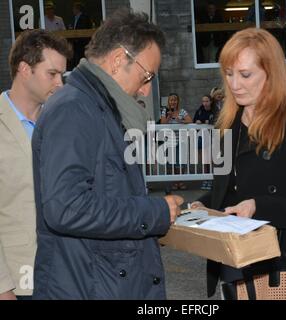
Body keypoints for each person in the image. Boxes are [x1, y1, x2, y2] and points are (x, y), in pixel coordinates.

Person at [31, 8, 183, 300]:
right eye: (147, 75)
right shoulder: (74, 109)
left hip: (100, 282)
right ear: (117, 61)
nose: (147, 89)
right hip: (87, 287)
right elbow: (66, 208)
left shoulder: (98, 107)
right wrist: (154, 212)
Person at [191, 28, 286, 299]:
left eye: (245, 75)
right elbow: (229, 190)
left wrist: (260, 206)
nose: (234, 84)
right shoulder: (226, 125)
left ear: (271, 74)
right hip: (236, 262)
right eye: (229, 74)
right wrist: (201, 206)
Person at [0, 29, 71, 300]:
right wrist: (2, 288)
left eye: (62, 75)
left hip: (65, 277)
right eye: (52, 74)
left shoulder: (64, 125)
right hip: (17, 283)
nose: (60, 84)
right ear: (24, 69)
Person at [160, 93, 192, 191]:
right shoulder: (165, 111)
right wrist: (169, 117)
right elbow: (162, 123)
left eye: (175, 100)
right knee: (171, 163)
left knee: (181, 162)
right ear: (168, 101)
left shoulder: (182, 111)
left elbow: (190, 121)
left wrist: (180, 121)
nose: (173, 102)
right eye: (171, 100)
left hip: (180, 141)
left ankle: (180, 182)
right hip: (169, 141)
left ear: (177, 101)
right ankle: (174, 182)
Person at [193, 94, 215, 190]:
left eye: (207, 101)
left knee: (212, 159)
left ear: (211, 102)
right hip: (202, 137)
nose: (205, 103)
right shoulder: (199, 110)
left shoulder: (215, 110)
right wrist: (197, 122)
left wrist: (209, 122)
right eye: (203, 101)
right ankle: (206, 179)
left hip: (213, 137)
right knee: (205, 159)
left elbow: (217, 120)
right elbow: (194, 120)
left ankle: (212, 179)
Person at [70, 2, 93, 68]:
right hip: (76, 43)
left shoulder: (84, 17)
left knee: (82, 57)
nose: (73, 11)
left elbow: (84, 29)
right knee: (77, 58)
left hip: (82, 42)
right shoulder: (75, 18)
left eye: (74, 9)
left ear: (77, 9)